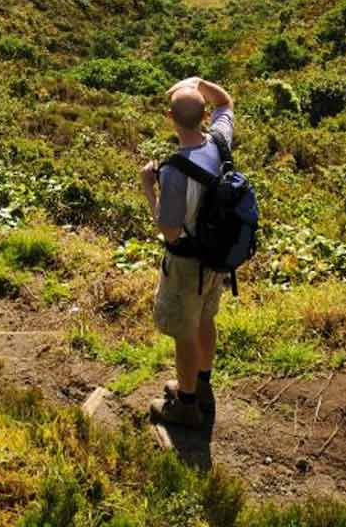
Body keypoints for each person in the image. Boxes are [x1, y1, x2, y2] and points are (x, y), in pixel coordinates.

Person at [140, 74, 235, 430]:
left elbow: (170, 231)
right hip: (216, 257)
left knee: (184, 331)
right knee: (205, 318)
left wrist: (150, 189)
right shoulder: (220, 141)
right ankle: (203, 384)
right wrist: (199, 82)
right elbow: (226, 101)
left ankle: (187, 403)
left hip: (186, 264)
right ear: (205, 116)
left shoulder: (175, 172)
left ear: (170, 118)